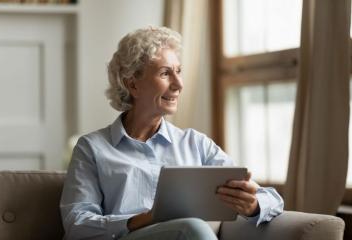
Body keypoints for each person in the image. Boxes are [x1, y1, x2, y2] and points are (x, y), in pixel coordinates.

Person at [60, 26, 284, 240]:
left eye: (178, 71)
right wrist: (142, 220)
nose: (178, 84)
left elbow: (273, 201)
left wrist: (253, 205)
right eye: (165, 73)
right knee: (191, 227)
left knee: (191, 228)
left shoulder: (195, 144)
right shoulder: (92, 147)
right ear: (133, 85)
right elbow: (77, 225)